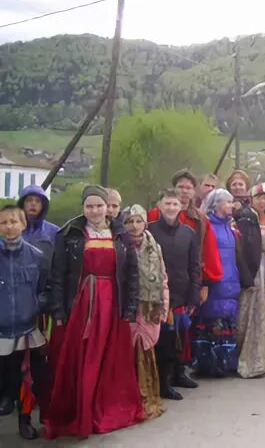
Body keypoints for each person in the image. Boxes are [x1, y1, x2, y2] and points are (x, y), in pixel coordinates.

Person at [44, 185, 143, 439]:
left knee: (108, 357)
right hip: (82, 304)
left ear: (107, 207)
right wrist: (58, 309)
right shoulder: (70, 233)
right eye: (90, 206)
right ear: (83, 208)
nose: (95, 210)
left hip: (112, 303)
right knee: (83, 356)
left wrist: (130, 308)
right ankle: (82, 411)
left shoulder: (120, 235)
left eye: (99, 205)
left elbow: (132, 275)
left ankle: (104, 408)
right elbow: (58, 274)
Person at [0, 206, 49, 440]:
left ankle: (25, 420)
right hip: (1, 331)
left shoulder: (36, 256)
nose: (9, 226)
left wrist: (34, 305)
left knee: (27, 380)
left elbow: (46, 289)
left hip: (28, 330)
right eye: (4, 222)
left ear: (23, 224)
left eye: (13, 221)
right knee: (5, 379)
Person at [193, 189, 253, 377]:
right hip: (214, 282)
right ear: (216, 204)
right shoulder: (207, 225)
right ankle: (208, 364)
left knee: (227, 320)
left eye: (231, 202)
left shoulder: (231, 227)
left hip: (231, 280)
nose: (231, 205)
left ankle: (225, 363)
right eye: (227, 202)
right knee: (212, 320)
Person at [148, 189, 201, 400]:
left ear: (181, 207)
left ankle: (179, 374)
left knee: (181, 337)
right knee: (164, 341)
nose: (171, 208)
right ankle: (163, 382)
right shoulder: (150, 231)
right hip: (159, 295)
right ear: (160, 206)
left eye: (175, 204)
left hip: (183, 293)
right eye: (167, 203)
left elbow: (194, 266)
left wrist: (194, 294)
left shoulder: (188, 233)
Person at [122, 205, 169, 419]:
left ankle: (148, 398)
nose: (134, 226)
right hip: (130, 308)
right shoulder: (120, 246)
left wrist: (164, 306)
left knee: (147, 351)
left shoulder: (154, 246)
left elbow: (163, 277)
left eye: (138, 221)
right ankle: (131, 402)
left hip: (151, 307)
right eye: (129, 221)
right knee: (131, 352)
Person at [235, 183, 265, 378]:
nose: (262, 201)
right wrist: (248, 275)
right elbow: (244, 247)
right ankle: (254, 359)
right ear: (252, 199)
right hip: (257, 266)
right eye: (259, 197)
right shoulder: (247, 217)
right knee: (256, 310)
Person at [148, 169, 223, 286]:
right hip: (158, 276)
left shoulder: (201, 220)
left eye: (188, 188)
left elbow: (209, 251)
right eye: (180, 187)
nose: (184, 191)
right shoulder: (155, 215)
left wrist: (206, 283)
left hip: (189, 279)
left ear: (194, 191)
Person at [17, 185, 59, 260]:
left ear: (43, 206)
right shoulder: (11, 228)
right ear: (22, 204)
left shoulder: (55, 232)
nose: (33, 204)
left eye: (38, 201)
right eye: (29, 200)